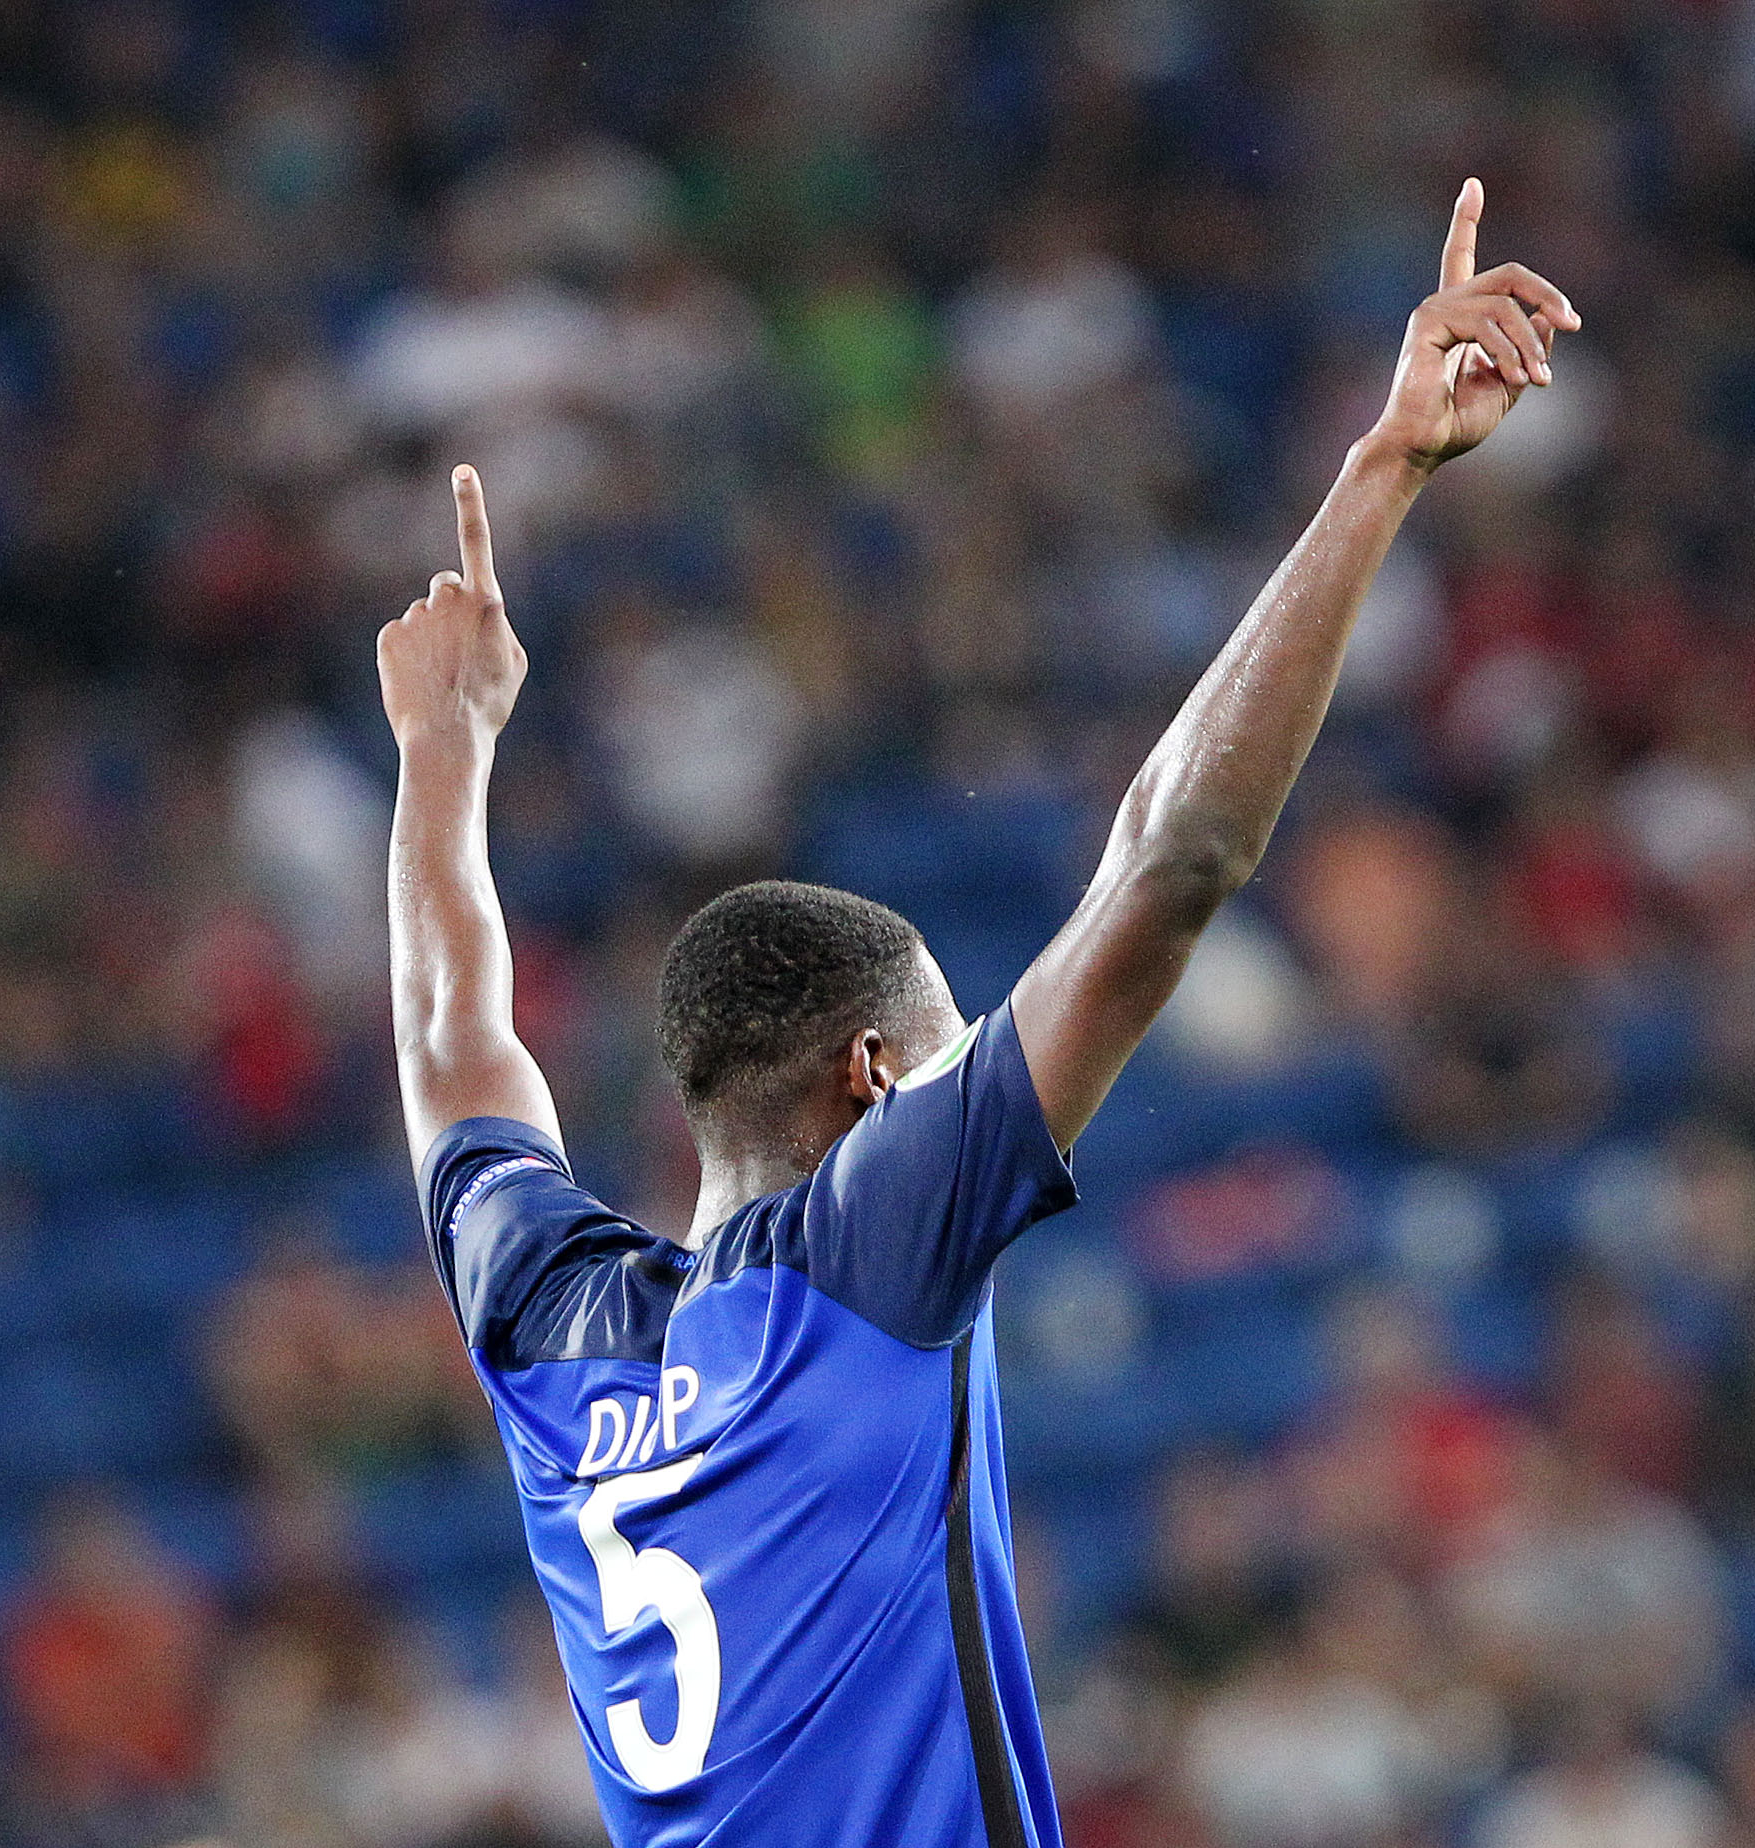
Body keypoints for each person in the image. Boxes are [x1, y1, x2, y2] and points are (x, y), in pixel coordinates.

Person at [383, 179, 1576, 1848]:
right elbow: (1172, 868)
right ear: (874, 1080)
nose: (967, 1084)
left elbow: (453, 1047)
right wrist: (1381, 471)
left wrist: (444, 761)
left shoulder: (555, 1335)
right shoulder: (859, 1257)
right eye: (944, 1057)